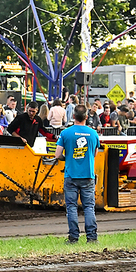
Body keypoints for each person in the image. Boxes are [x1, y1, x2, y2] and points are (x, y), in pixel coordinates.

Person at [55, 104, 101, 244]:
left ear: (73, 116)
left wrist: (67, 158)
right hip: (88, 175)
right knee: (88, 207)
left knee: (72, 207)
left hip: (71, 175)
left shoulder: (65, 133)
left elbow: (57, 154)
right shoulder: (93, 134)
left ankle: (73, 237)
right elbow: (94, 153)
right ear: (86, 117)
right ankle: (92, 237)